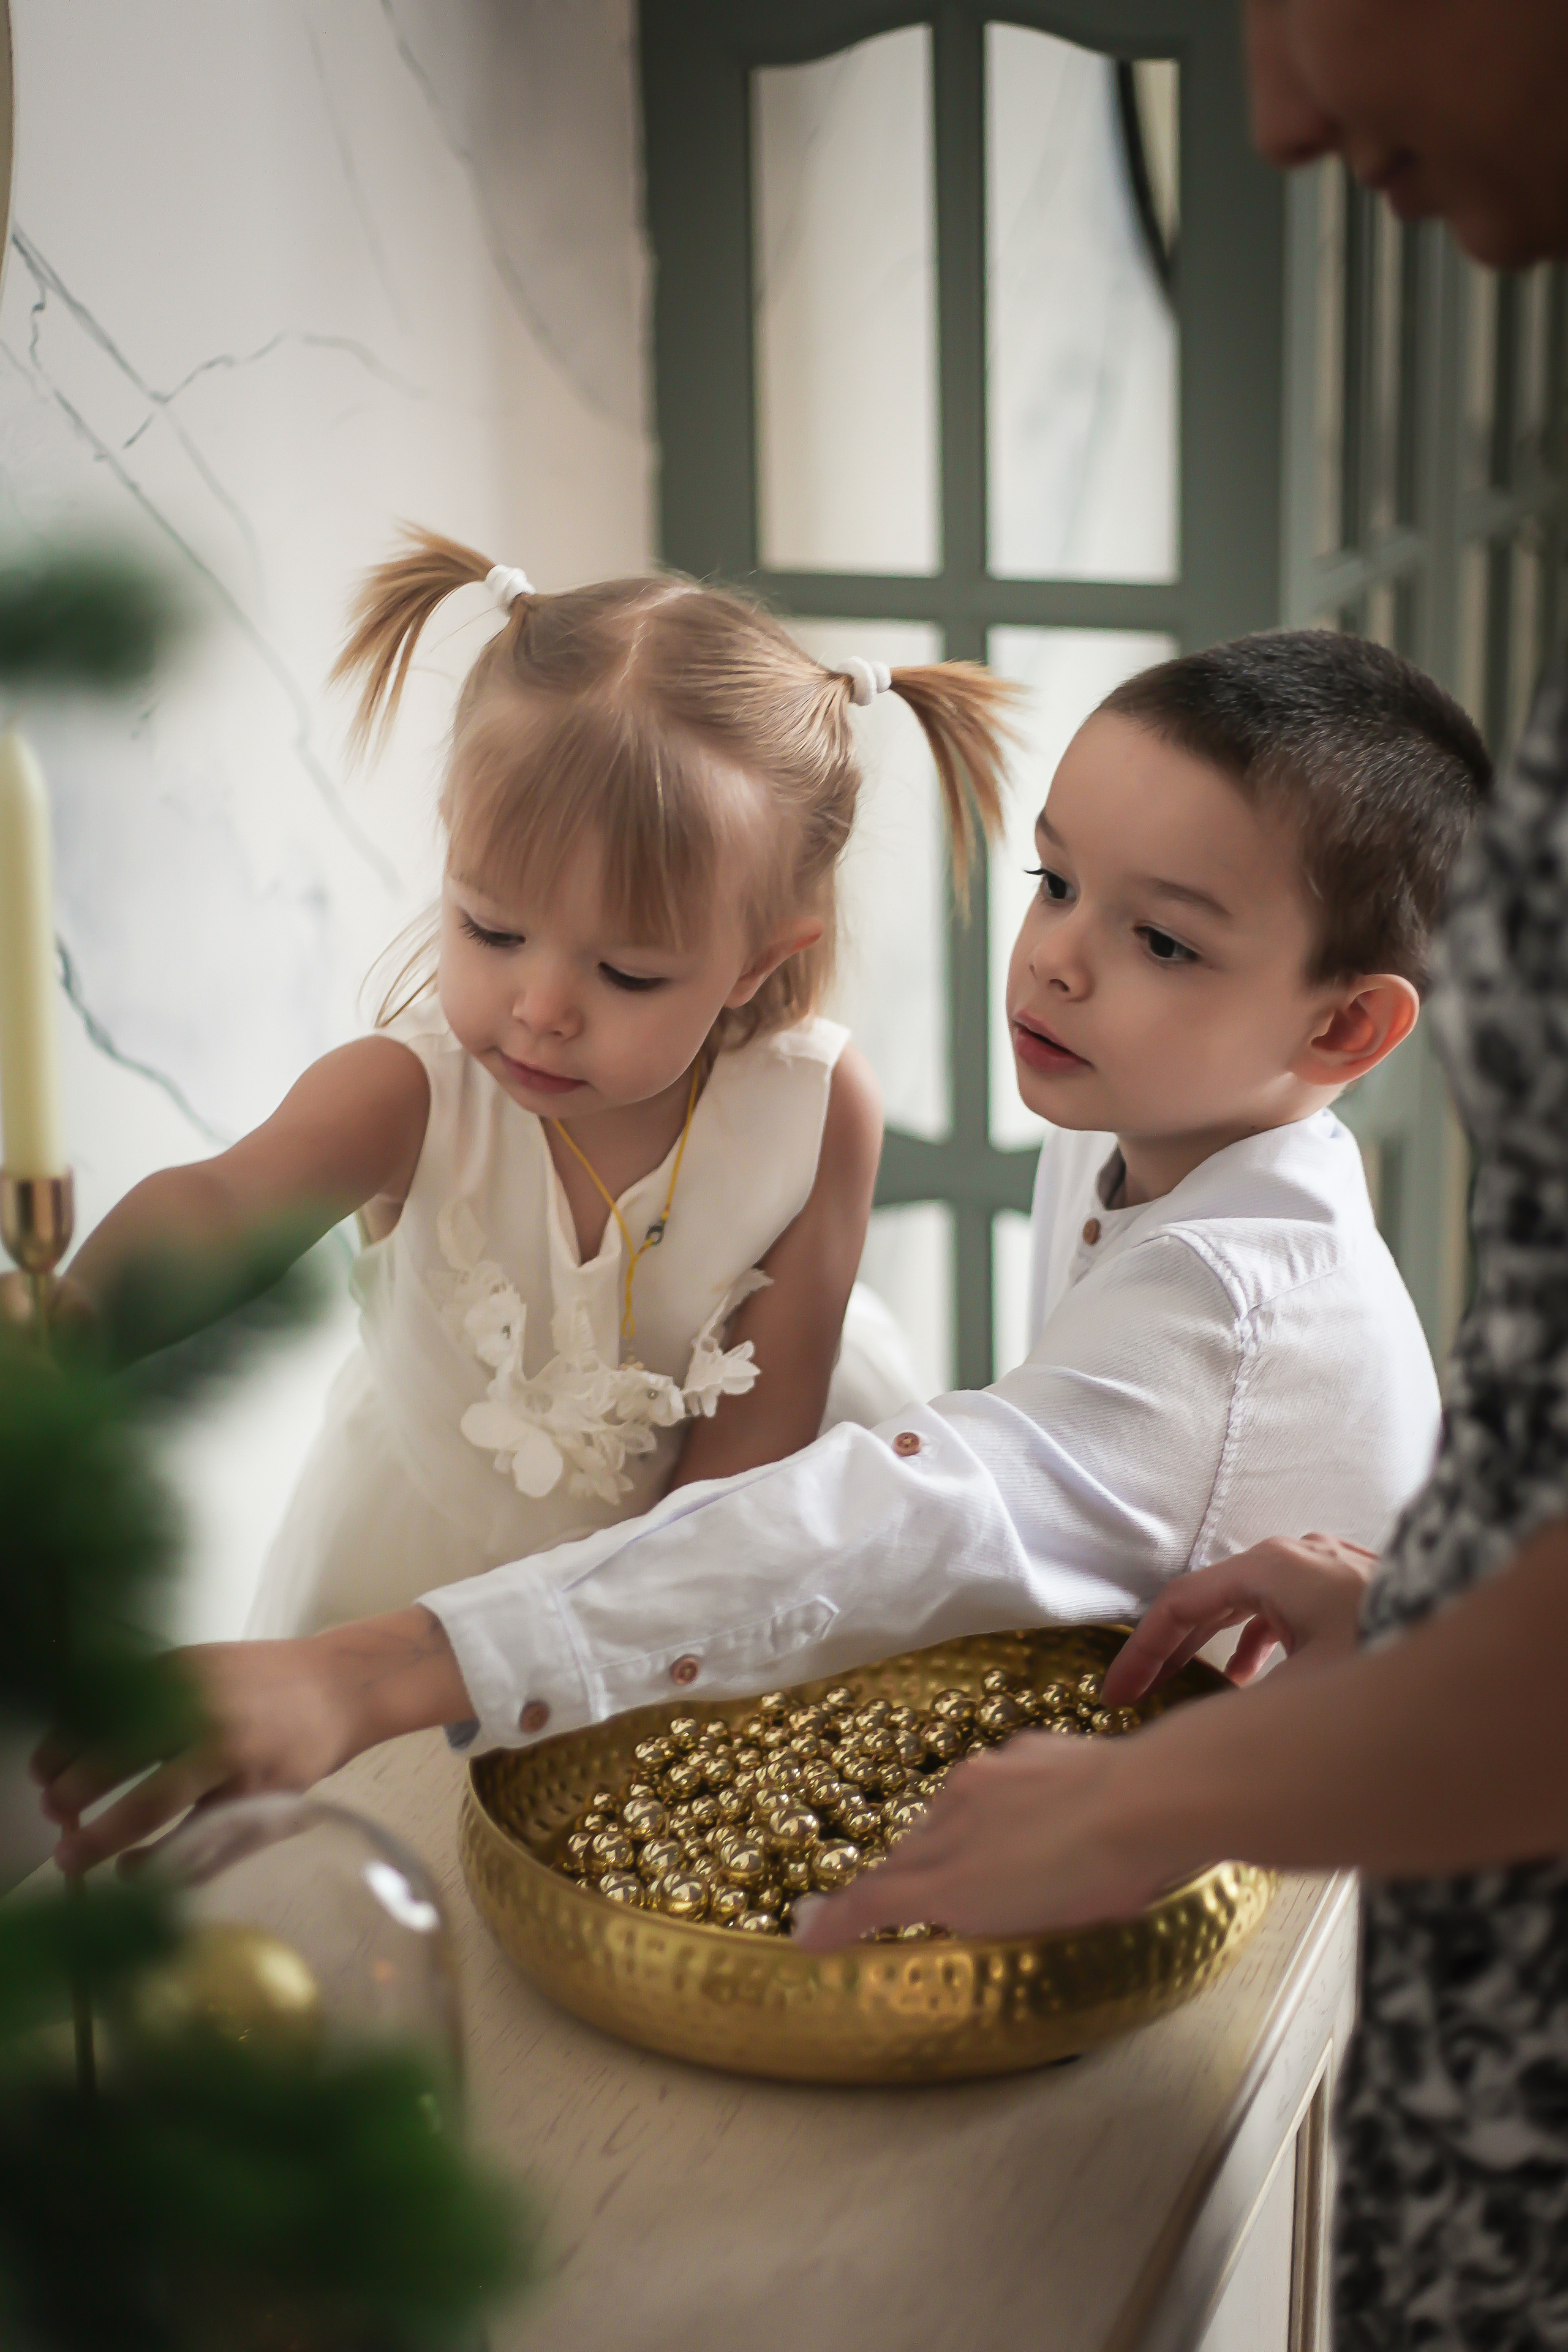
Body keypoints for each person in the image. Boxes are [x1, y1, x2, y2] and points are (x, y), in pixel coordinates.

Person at [38, 628, 1483, 1819]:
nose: (1053, 961)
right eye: (1055, 882)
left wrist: (382, 1673)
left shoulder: (1223, 1302)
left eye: (1157, 939)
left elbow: (863, 1512)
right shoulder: (1143, 1122)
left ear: (1344, 1024)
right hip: (468, 1534)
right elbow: (224, 1204)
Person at [62, 529, 1016, 1632]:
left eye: (626, 971)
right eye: (491, 928)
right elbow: (229, 1203)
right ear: (452, 848)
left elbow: (757, 1451)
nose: (542, 1007)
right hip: (423, 1565)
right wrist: (74, 1318)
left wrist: (620, 1650)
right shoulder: (411, 1093)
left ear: (755, 961)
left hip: (716, 1552)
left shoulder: (815, 1111)